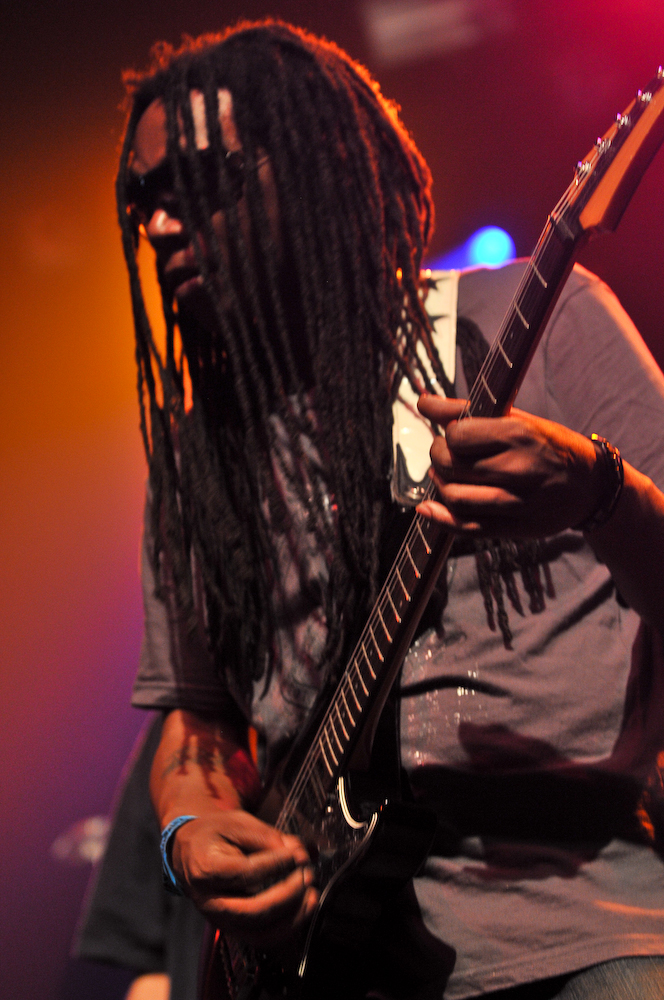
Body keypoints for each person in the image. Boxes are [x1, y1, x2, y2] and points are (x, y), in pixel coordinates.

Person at [87, 19, 664, 999]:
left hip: (578, 921)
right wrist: (190, 825)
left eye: (203, 181)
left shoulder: (534, 319)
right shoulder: (198, 454)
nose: (163, 225)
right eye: (147, 200)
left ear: (317, 167)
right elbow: (198, 725)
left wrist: (602, 492)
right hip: (331, 956)